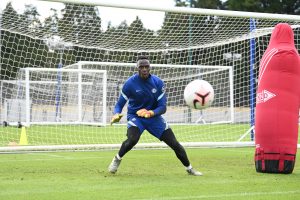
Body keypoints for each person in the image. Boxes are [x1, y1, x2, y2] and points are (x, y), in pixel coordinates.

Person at [108, 55, 202, 176]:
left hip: (154, 118)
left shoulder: (157, 83)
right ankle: (117, 159)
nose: (144, 69)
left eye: (146, 67)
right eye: (141, 67)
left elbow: (162, 107)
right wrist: (116, 113)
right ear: (137, 68)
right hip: (136, 117)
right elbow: (119, 104)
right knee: (132, 139)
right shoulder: (130, 83)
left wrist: (151, 113)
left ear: (150, 68)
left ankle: (189, 168)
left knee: (174, 143)